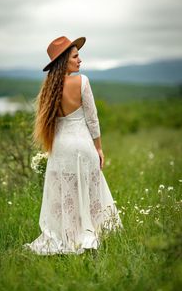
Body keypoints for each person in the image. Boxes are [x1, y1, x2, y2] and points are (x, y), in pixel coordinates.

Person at [22, 36, 123, 255]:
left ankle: (68, 236)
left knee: (65, 194)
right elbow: (92, 119)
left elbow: (51, 125)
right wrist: (99, 148)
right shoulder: (82, 82)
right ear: (64, 61)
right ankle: (91, 233)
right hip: (82, 145)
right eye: (76, 56)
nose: (80, 60)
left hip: (60, 149)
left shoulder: (49, 89)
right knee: (89, 190)